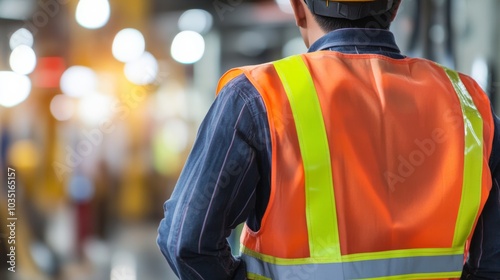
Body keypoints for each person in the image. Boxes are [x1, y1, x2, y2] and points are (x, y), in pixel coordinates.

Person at [157, 0, 500, 279]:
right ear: (395, 7)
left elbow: (187, 243)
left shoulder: (259, 97)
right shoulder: (468, 104)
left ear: (297, 8)